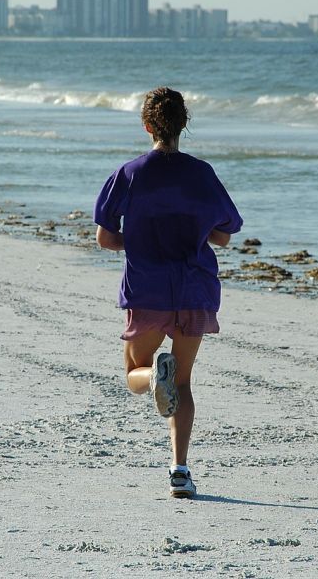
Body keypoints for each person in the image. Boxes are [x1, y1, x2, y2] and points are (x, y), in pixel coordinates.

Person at [93, 86, 243, 499]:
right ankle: (180, 470)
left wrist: (140, 240)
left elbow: (106, 238)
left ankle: (153, 377)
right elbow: (225, 235)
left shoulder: (129, 174)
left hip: (147, 287)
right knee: (185, 382)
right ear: (184, 125)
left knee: (134, 374)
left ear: (147, 126)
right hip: (195, 288)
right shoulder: (202, 173)